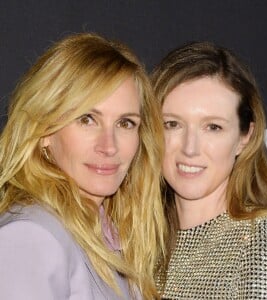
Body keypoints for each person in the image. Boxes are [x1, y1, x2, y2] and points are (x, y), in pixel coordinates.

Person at [0, 32, 167, 299]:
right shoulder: (32, 237)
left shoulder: (112, 234)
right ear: (45, 131)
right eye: (87, 119)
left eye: (125, 123)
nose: (109, 146)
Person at [152, 42, 267, 299]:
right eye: (173, 124)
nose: (190, 148)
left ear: (245, 136)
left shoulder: (265, 238)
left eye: (213, 127)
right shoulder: (136, 243)